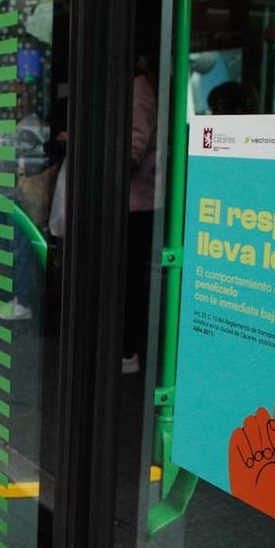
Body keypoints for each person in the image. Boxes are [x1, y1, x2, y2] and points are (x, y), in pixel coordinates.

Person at [123, 64, 158, 374]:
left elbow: (135, 147)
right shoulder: (133, 85)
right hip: (131, 201)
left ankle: (127, 350)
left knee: (129, 279)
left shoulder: (138, 88)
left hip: (136, 202)